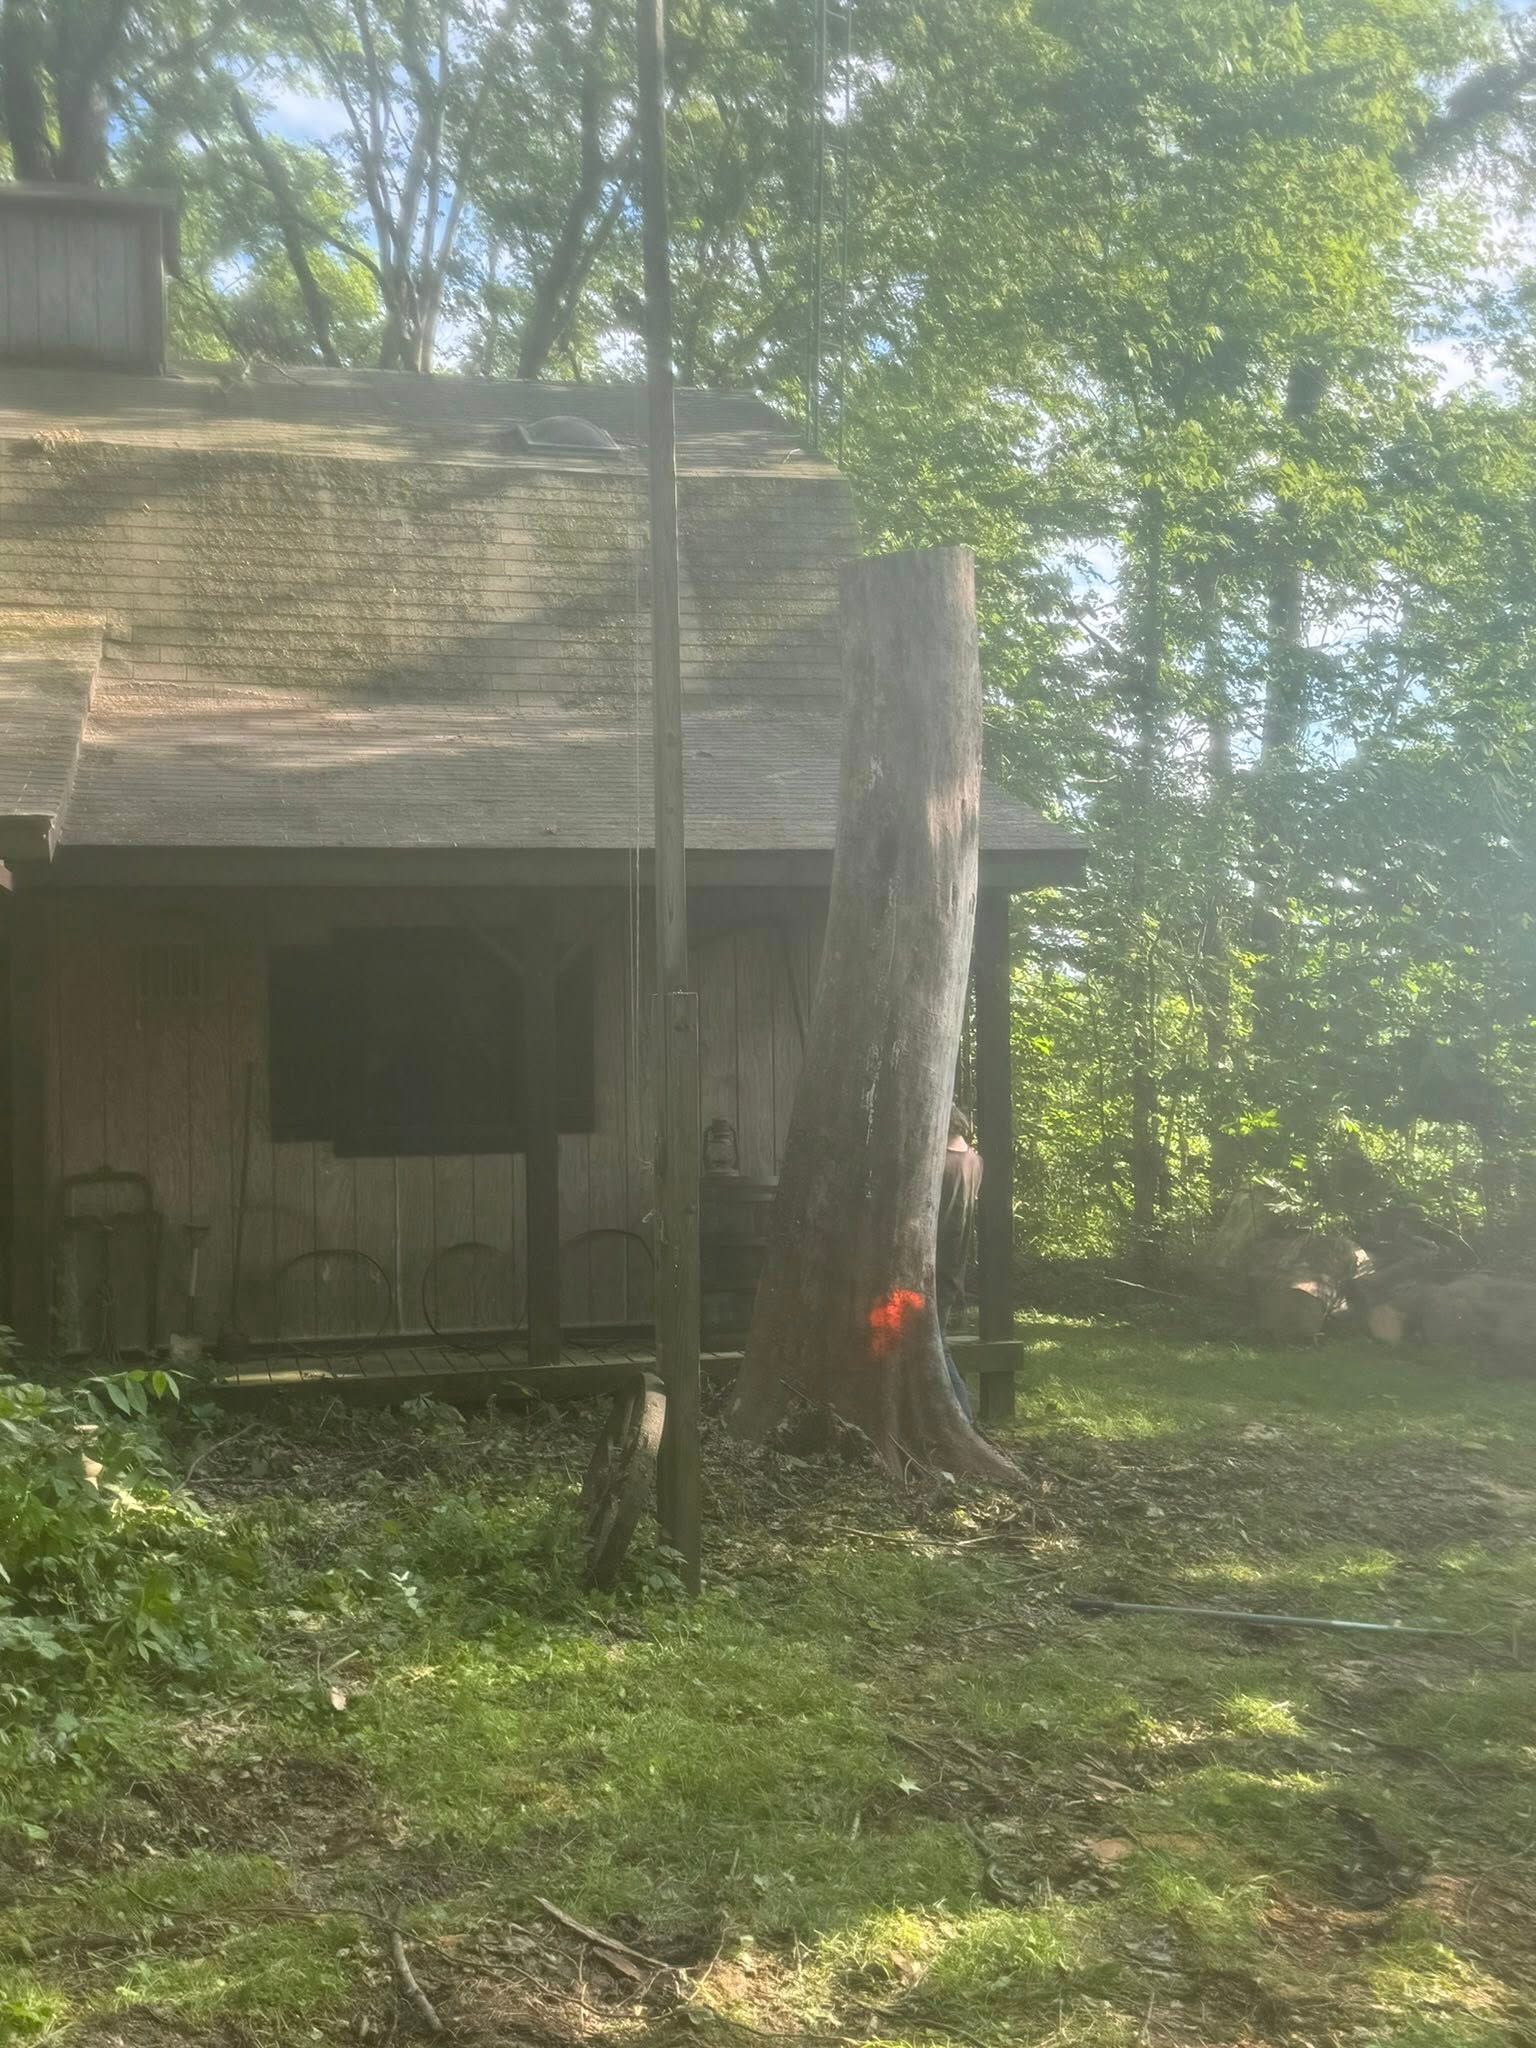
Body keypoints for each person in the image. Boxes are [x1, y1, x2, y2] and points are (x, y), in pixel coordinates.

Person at [937, 1105, 983, 1420]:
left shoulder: (938, 1163)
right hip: (954, 1264)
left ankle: (962, 1418)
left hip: (933, 1263)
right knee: (933, 1338)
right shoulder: (975, 1162)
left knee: (935, 1342)